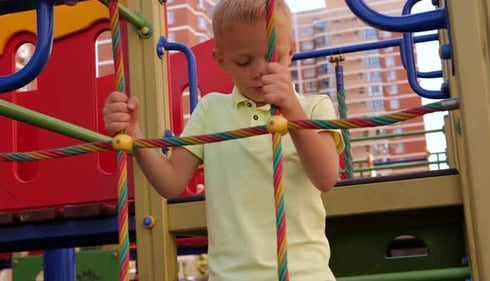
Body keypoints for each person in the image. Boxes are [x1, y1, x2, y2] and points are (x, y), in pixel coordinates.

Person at [103, 0, 344, 280]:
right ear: (221, 61)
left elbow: (326, 177)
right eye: (244, 61)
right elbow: (170, 182)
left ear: (290, 50)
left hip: (304, 274)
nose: (260, 70)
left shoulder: (315, 107)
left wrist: (291, 110)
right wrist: (135, 136)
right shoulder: (211, 110)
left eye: (273, 57)